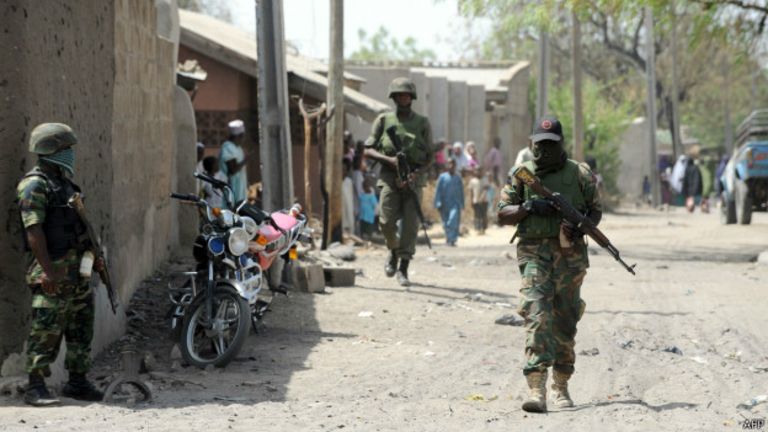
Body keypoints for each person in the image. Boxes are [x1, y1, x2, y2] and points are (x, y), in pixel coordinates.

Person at [496, 115, 602, 413]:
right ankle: (536, 387)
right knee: (537, 314)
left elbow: (595, 212)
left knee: (565, 320)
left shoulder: (580, 174)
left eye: (550, 144)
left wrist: (579, 227)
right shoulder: (522, 174)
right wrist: (529, 207)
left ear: (561, 144)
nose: (544, 150)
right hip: (533, 254)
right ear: (532, 143)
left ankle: (561, 384)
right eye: (539, 144)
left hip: (570, 257)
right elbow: (502, 214)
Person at [16, 123, 105, 406]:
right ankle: (35, 386)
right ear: (52, 149)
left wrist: (94, 257)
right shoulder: (35, 185)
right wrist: (48, 271)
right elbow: (34, 230)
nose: (71, 154)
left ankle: (77, 382)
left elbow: (79, 227)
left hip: (77, 271)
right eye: (67, 148)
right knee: (46, 329)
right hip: (52, 270)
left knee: (81, 327)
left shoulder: (65, 184)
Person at [364, 77, 433, 287]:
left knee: (410, 226)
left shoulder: (422, 123)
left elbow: (430, 157)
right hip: (389, 176)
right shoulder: (384, 120)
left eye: (406, 95)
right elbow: (368, 149)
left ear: (412, 97)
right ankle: (393, 251)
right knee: (385, 221)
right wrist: (390, 160)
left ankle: (403, 267)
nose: (403, 98)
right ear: (393, 98)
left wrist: (415, 174)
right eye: (399, 95)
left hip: (413, 179)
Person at [434, 159, 464, 246]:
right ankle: (449, 239)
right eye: (449, 164)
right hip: (444, 204)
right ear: (447, 165)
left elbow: (461, 191)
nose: (451, 166)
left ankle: (452, 239)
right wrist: (437, 202)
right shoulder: (442, 177)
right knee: (445, 223)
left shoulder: (458, 178)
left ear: (455, 166)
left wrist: (462, 203)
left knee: (452, 220)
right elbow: (438, 191)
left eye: (453, 164)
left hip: (455, 204)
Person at [219, 119, 248, 204]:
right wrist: (245, 160)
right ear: (240, 136)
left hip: (240, 190)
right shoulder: (228, 147)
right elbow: (232, 170)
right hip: (231, 189)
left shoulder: (238, 148)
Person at [468, 167, 488, 234]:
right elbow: (471, 192)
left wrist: (482, 197)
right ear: (475, 172)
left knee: (483, 215)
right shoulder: (472, 181)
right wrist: (471, 201)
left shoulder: (485, 179)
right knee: (477, 215)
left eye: (479, 170)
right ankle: (478, 229)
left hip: (484, 201)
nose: (478, 172)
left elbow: (485, 189)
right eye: (477, 171)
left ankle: (483, 229)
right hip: (476, 201)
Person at [341, 158, 355, 235]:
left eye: (345, 170)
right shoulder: (335, 182)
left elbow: (351, 199)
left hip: (349, 210)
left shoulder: (349, 182)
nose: (343, 172)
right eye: (342, 169)